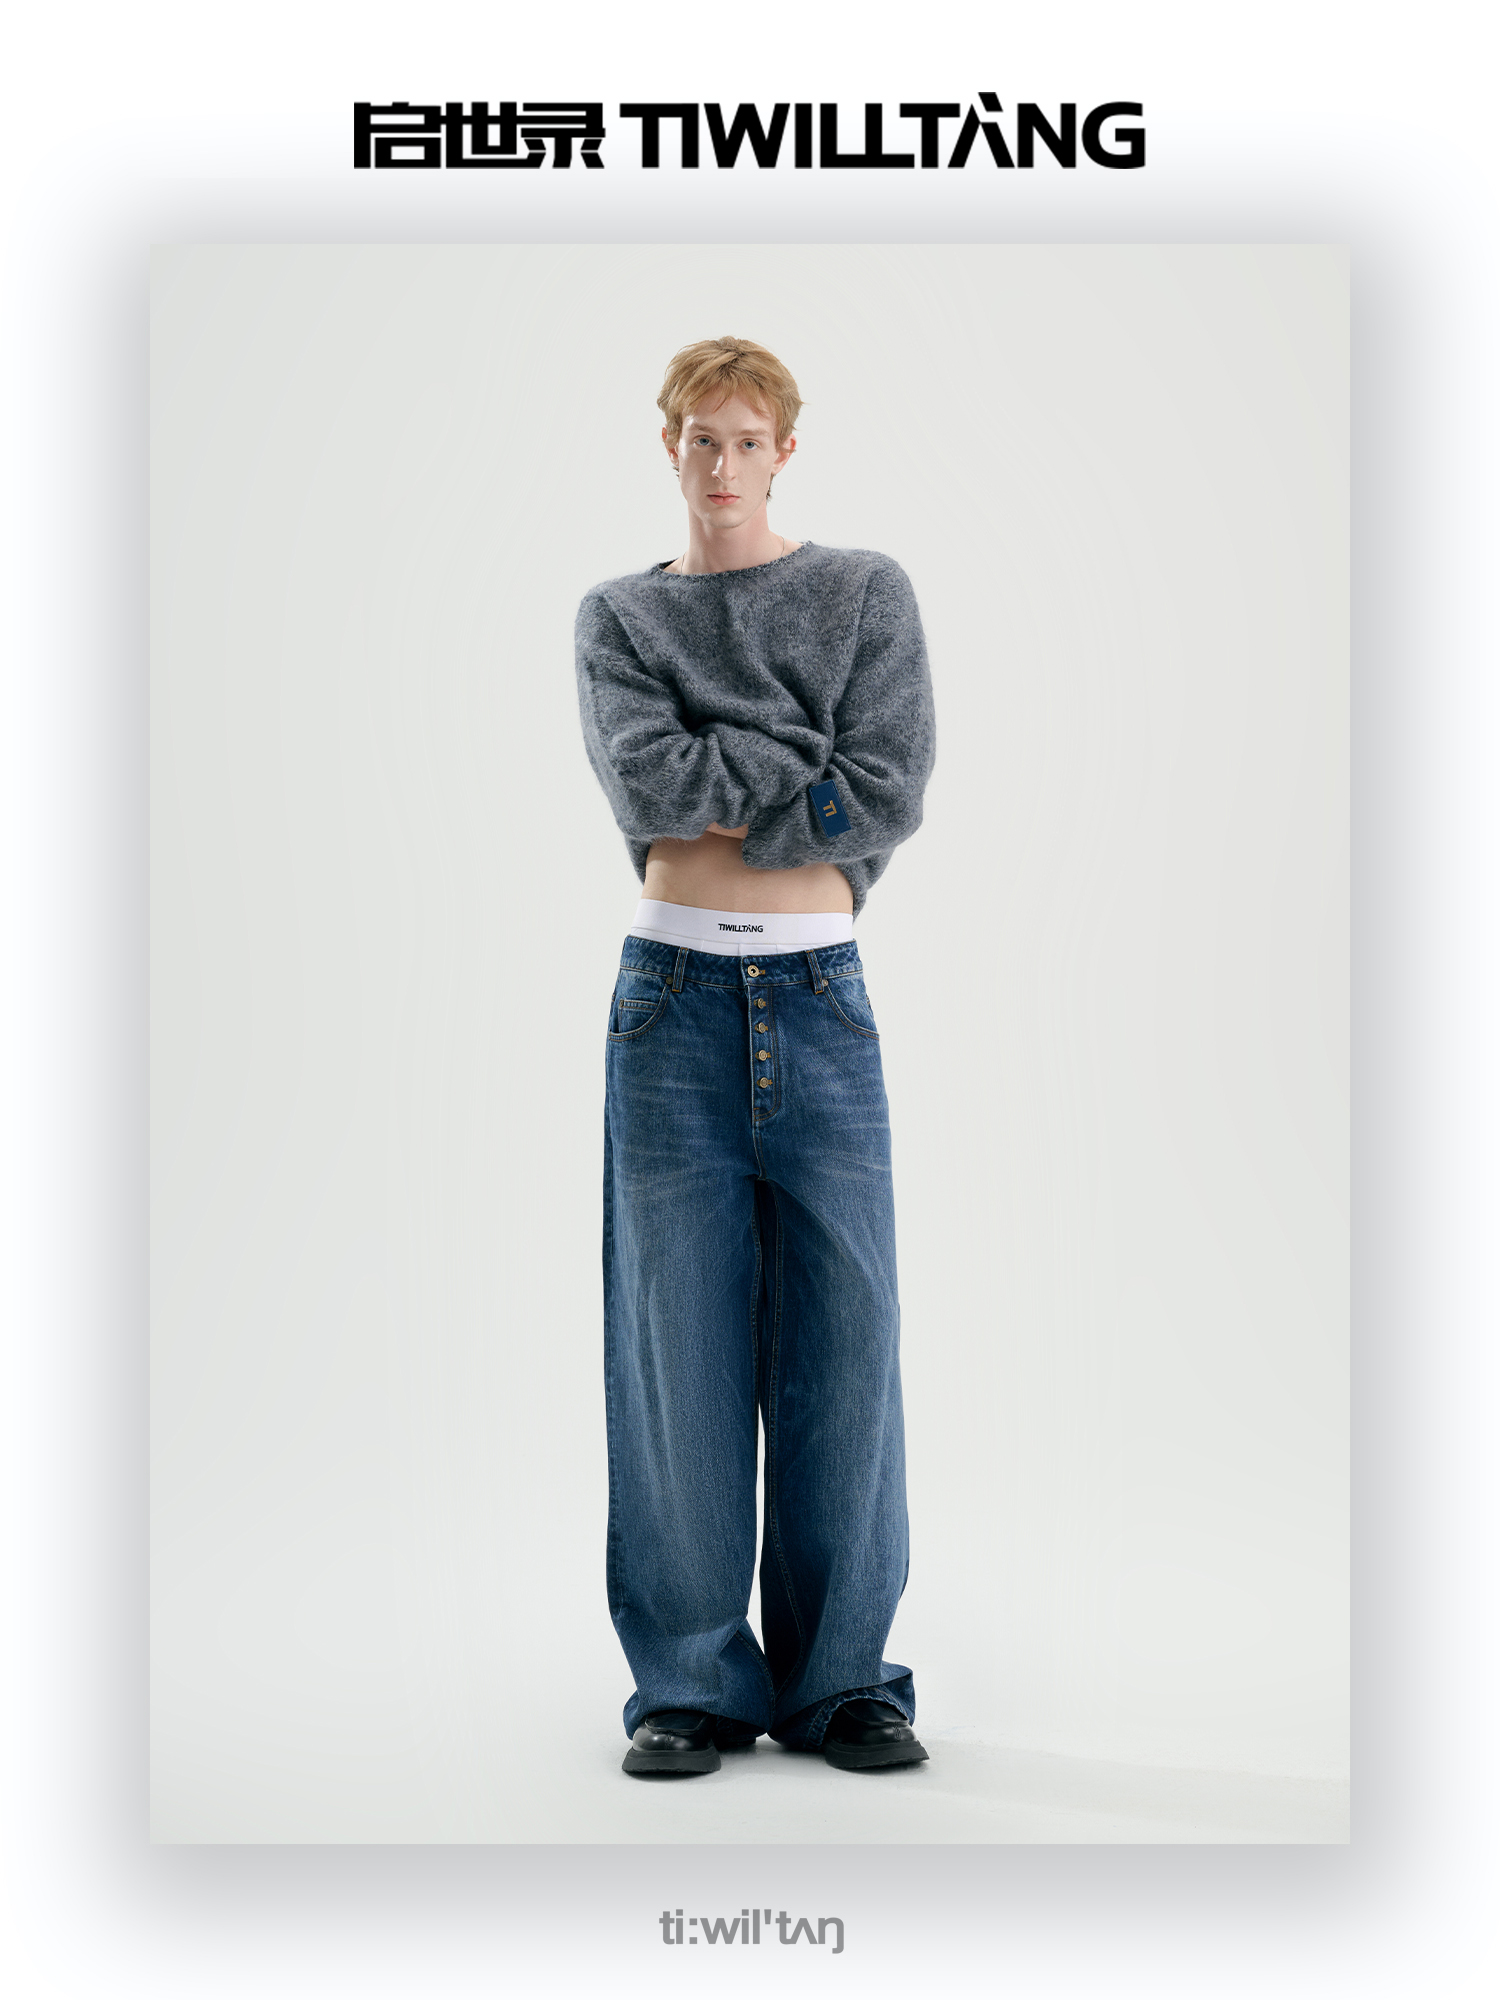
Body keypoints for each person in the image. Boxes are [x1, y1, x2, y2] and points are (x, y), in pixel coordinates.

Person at [574, 336, 936, 1776]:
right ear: (666, 447)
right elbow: (649, 784)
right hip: (668, 1004)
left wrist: (737, 781)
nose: (721, 464)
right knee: (677, 1349)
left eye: (744, 440)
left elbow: (889, 783)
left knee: (848, 1344)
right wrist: (800, 763)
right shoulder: (618, 618)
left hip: (820, 996)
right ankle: (691, 1682)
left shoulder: (864, 593)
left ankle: (842, 1680)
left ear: (786, 450)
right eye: (698, 440)